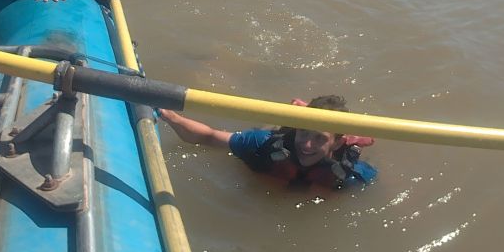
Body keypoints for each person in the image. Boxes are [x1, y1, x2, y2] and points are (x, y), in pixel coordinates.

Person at [158, 94, 378, 190]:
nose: (307, 145)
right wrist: (170, 116)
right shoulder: (259, 144)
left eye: (320, 138)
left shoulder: (353, 174)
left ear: (337, 143)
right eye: (304, 132)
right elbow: (208, 136)